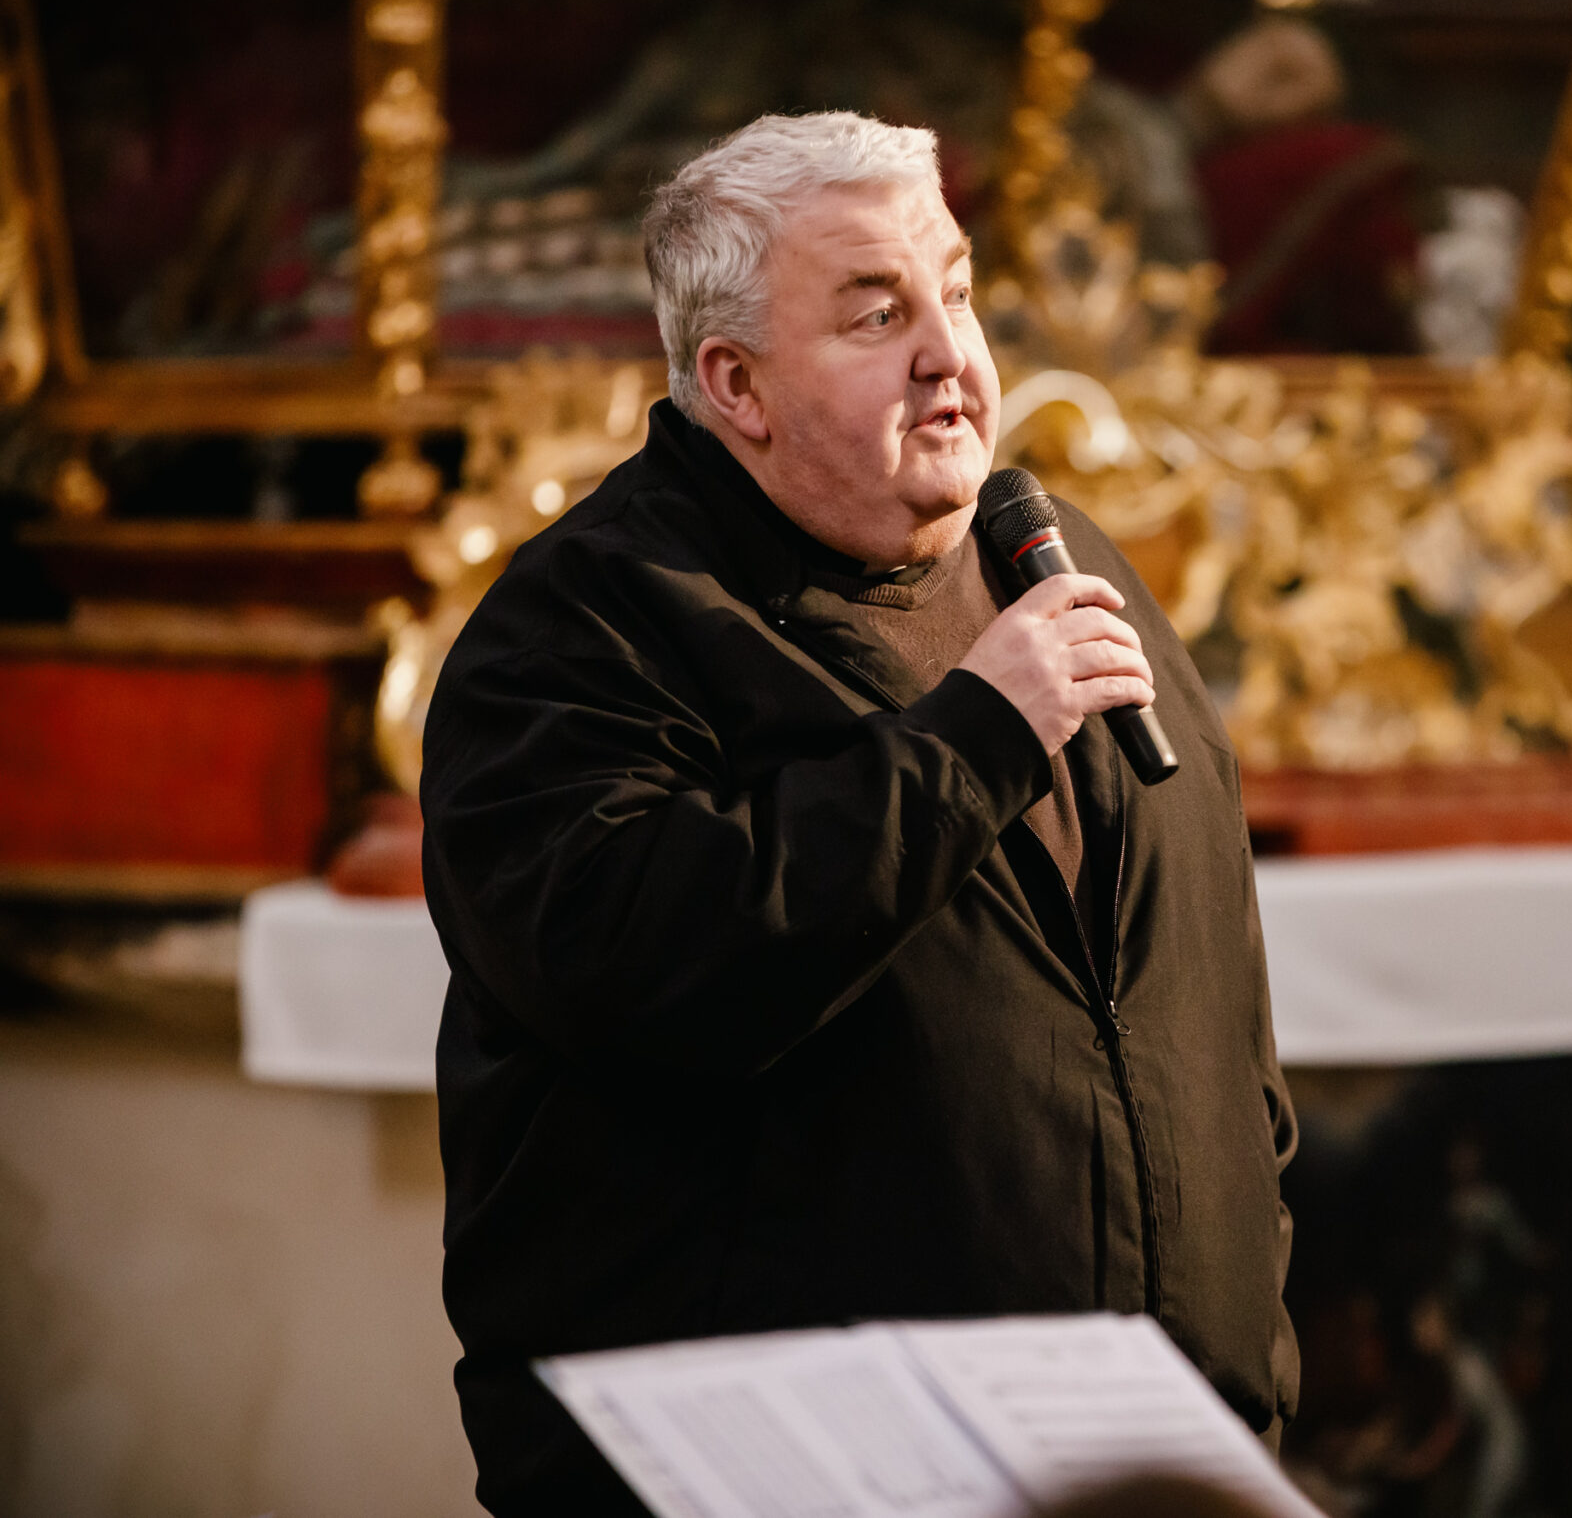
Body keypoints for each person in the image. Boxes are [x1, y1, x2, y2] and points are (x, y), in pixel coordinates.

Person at [421, 112, 1299, 1515]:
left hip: (1149, 1463)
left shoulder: (1058, 567)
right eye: (877, 314)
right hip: (786, 1477)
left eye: (956, 290)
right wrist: (975, 738)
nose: (951, 354)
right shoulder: (586, 628)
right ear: (737, 383)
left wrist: (1247, 1359)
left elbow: (1217, 1022)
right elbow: (632, 972)